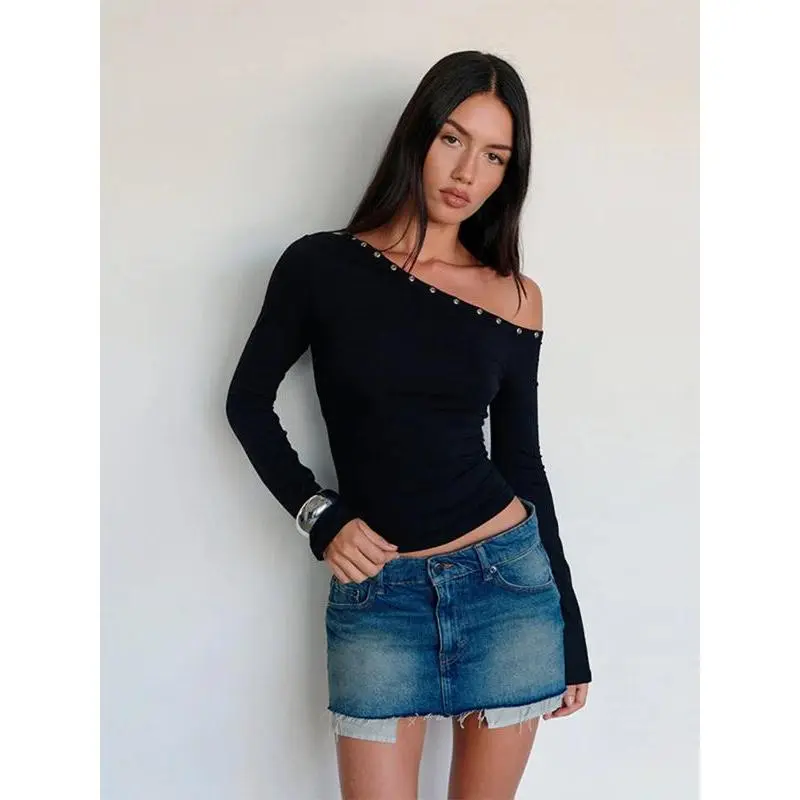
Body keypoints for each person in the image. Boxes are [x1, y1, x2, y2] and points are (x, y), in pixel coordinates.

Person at [225, 50, 591, 799]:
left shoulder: (515, 297)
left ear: (509, 173)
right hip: (377, 596)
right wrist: (320, 516)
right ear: (418, 135)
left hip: (507, 590)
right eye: (453, 139)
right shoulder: (321, 266)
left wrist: (571, 631)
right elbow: (246, 401)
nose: (466, 173)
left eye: (494, 156)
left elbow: (522, 462)